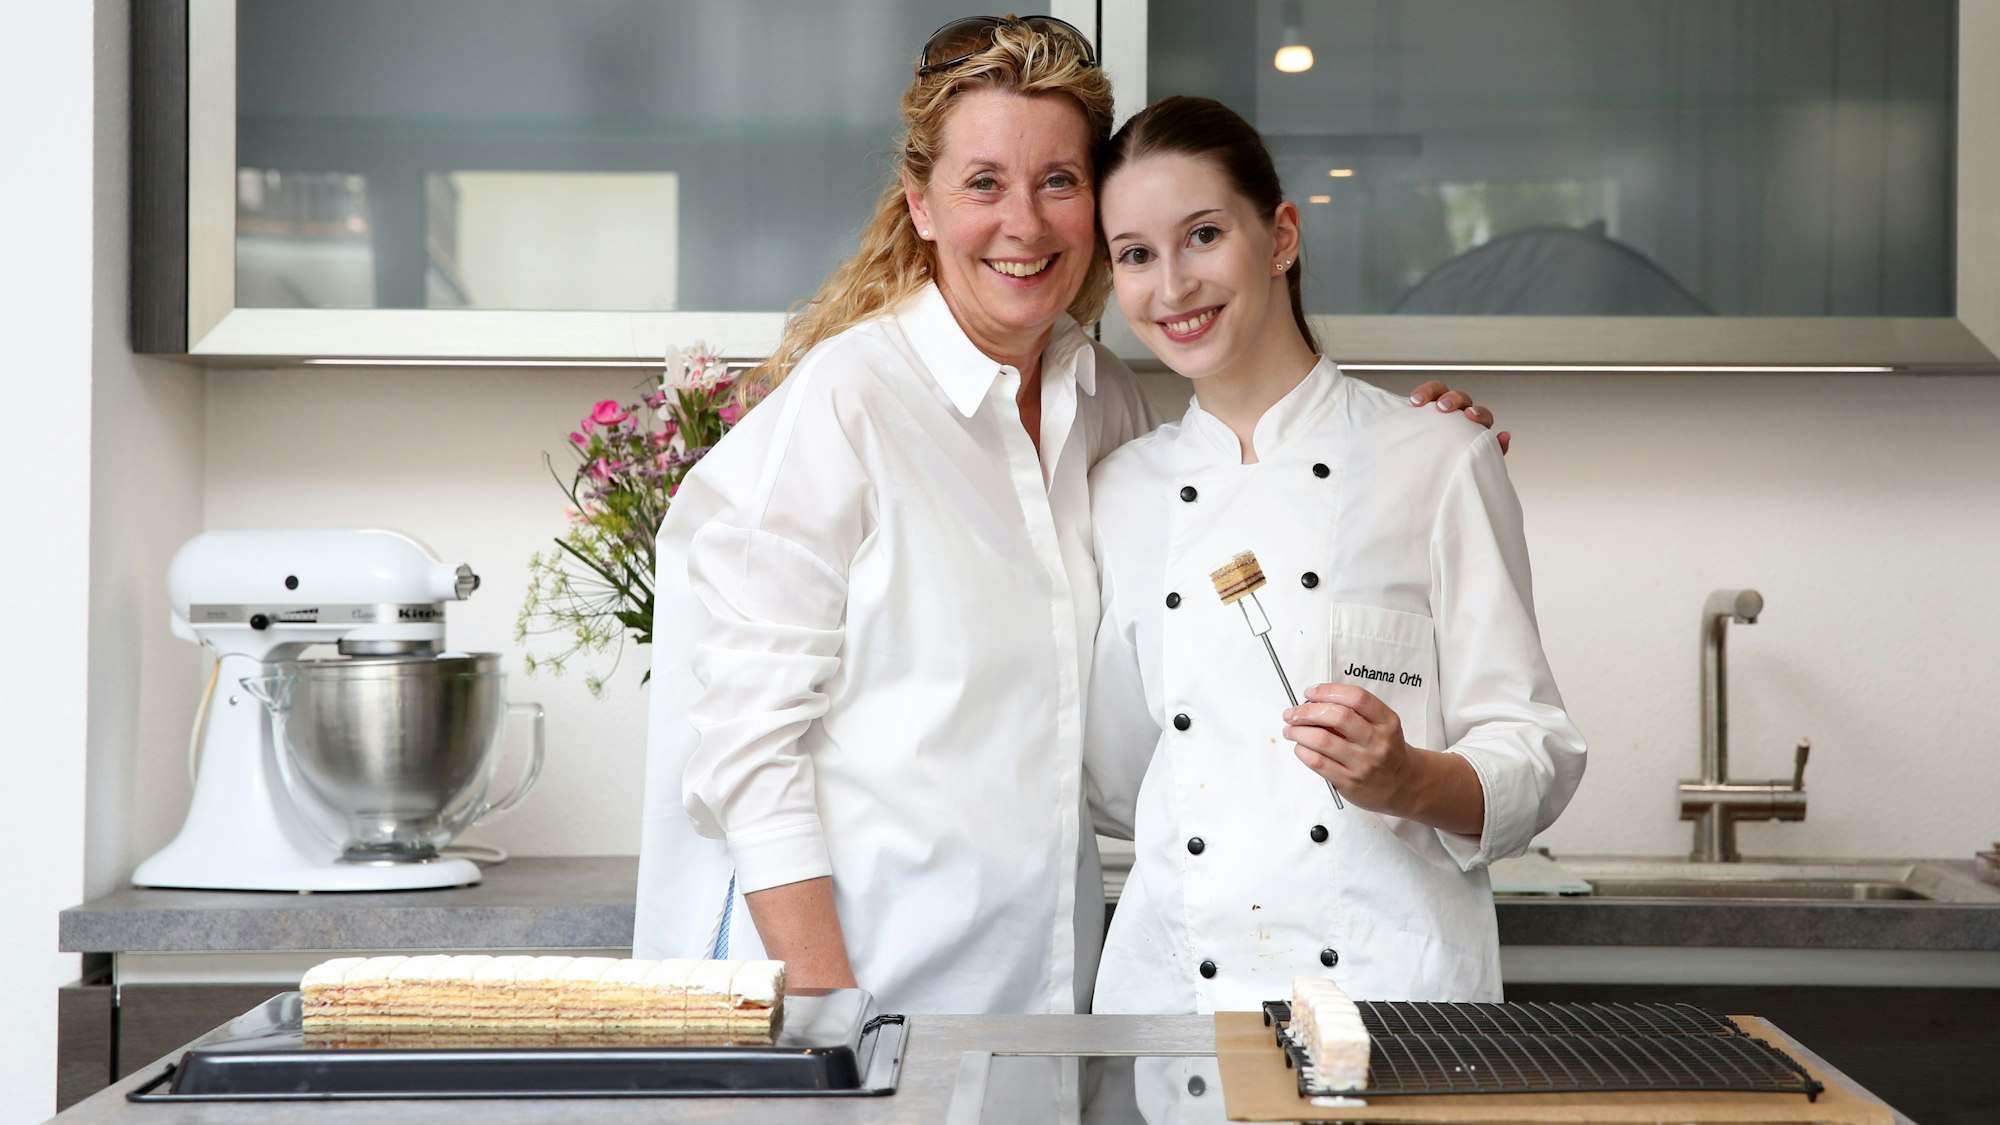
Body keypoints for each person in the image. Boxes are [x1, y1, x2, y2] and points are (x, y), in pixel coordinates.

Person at [633, 18, 1496, 1016]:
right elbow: (746, 752)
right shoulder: (848, 406)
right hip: (867, 988)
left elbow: (1236, 503)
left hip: (1049, 994)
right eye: (983, 183)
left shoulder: (1106, 403)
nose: (1025, 225)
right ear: (919, 202)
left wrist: (1413, 447)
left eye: (1058, 182)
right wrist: (831, 1017)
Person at [1084, 96, 1587, 1018]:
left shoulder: (1436, 456)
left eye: (1203, 235)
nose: (1172, 286)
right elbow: (1120, 777)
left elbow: (1537, 748)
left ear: (1280, 237)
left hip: (1389, 996)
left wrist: (1407, 779)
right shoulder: (1118, 491)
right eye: (1135, 255)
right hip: (1171, 1010)